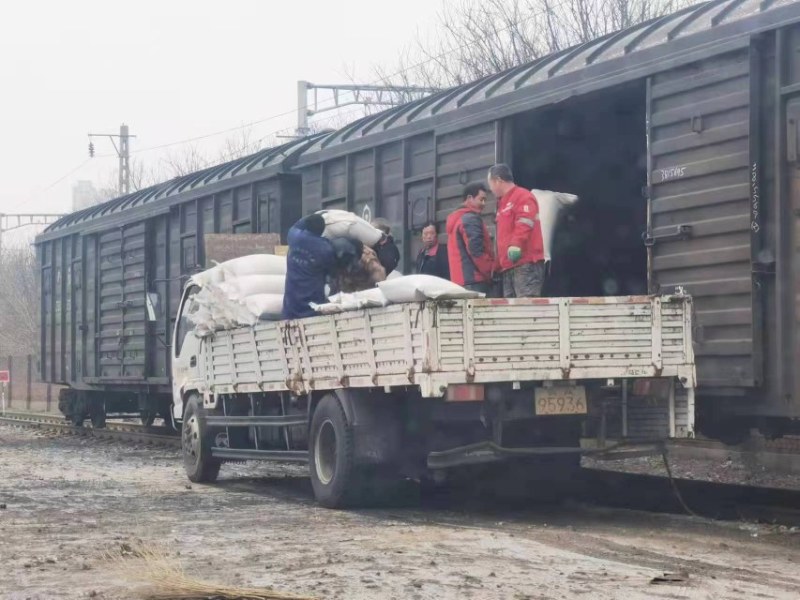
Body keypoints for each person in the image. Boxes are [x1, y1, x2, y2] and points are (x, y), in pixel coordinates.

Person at [488, 164, 545, 298]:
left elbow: (524, 222)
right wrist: (497, 263)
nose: (490, 189)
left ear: (498, 180)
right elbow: (502, 236)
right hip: (508, 266)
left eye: (490, 184)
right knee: (512, 311)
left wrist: (516, 244)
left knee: (525, 307)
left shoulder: (523, 196)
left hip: (526, 263)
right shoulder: (502, 204)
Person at [282, 214, 335, 319]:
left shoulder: (293, 236)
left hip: (290, 307)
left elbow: (299, 223)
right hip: (312, 309)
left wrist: (323, 213)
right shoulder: (325, 248)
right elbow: (332, 271)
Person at [446, 182, 494, 294]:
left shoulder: (458, 219)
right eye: (481, 199)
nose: (484, 203)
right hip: (475, 281)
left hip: (461, 282)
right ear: (469, 198)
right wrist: (490, 271)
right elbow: (476, 252)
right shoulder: (470, 219)